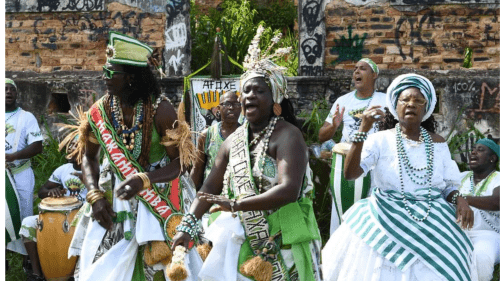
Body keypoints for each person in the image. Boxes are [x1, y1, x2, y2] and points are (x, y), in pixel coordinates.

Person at [172, 26, 322, 281]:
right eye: (246, 91)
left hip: (283, 238)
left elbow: (289, 190)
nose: (249, 96)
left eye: (259, 90)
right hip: (242, 240)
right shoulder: (233, 141)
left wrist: (237, 204)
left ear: (275, 98)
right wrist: (187, 226)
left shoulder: (288, 135)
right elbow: (208, 189)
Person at [66, 31, 201, 281]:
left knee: (163, 268)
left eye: (110, 73)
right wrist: (94, 195)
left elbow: (180, 163)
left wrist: (144, 180)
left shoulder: (160, 110)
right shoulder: (100, 112)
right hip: (114, 198)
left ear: (130, 77)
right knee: (101, 265)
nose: (104, 77)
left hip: (160, 196)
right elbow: (89, 158)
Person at [322, 73, 477, 281]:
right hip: (384, 213)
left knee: (453, 258)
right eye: (405, 99)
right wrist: (362, 130)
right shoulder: (379, 140)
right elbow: (350, 174)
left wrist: (461, 200)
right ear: (395, 106)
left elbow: (448, 185)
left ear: (427, 108)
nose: (411, 104)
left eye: (418, 100)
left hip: (433, 216)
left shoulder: (438, 143)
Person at [318, 58, 386, 234]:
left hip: (377, 163)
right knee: (344, 212)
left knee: (373, 213)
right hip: (349, 161)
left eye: (362, 69)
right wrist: (334, 126)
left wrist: (386, 120)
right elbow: (321, 136)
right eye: (355, 69)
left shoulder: (385, 100)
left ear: (374, 75)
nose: (356, 72)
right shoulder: (343, 101)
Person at [19, 144, 86, 281]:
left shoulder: (99, 169)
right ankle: (37, 274)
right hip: (60, 215)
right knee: (28, 223)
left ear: (85, 148)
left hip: (85, 215)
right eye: (69, 146)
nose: (69, 149)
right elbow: (42, 191)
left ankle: (77, 273)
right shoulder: (62, 170)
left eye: (73, 146)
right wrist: (51, 191)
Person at [5, 78, 44, 255]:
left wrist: (13, 157)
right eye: (4, 89)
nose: (8, 92)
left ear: (17, 93)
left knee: (25, 214)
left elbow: (37, 146)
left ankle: (27, 258)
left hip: (20, 173)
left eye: (11, 89)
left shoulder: (26, 117)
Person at [458, 138, 499, 281]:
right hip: (458, 232)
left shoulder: (497, 178)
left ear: (492, 158)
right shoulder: (461, 177)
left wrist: (465, 200)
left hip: (488, 235)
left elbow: (497, 202)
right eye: (473, 149)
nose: (473, 153)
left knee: (481, 256)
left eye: (480, 150)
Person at [190, 90, 241, 191]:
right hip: (211, 195)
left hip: (238, 197)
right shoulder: (206, 135)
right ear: (218, 109)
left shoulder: (247, 134)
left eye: (236, 104)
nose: (231, 108)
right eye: (227, 104)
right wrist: (190, 195)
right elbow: (197, 168)